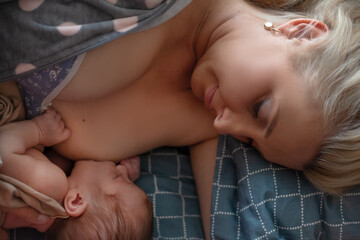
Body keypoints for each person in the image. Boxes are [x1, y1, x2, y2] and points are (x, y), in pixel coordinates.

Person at [1, 0, 360, 239]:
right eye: (260, 108)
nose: (225, 126)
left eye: (251, 142)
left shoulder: (204, 119)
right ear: (301, 32)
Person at [0, 107, 153, 240]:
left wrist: (37, 130)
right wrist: (127, 178)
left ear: (76, 201)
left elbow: (2, 149)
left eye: (117, 177)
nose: (120, 168)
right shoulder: (40, 219)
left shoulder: (52, 185)